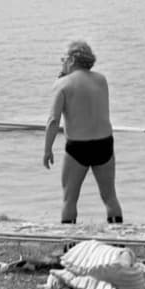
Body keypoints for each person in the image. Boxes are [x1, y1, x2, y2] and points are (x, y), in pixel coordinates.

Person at [41, 40, 123, 223]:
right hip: (104, 144)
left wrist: (47, 149)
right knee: (110, 196)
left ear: (71, 60)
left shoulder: (62, 84)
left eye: (63, 59)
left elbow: (53, 120)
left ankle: (69, 244)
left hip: (78, 147)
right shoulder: (102, 80)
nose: (62, 62)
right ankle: (118, 242)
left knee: (70, 198)